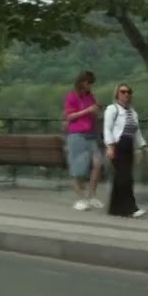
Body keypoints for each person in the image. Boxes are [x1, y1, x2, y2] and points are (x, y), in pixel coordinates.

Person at [104, 83, 147, 218]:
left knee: (121, 177)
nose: (126, 95)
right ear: (117, 94)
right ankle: (130, 208)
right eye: (123, 92)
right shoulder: (112, 109)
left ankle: (115, 208)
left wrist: (143, 146)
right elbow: (107, 128)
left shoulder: (133, 112)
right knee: (125, 177)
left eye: (129, 92)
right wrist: (110, 146)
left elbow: (137, 131)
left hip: (129, 145)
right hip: (118, 145)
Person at [63, 70, 103, 211]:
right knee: (78, 168)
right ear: (82, 82)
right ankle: (80, 198)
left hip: (91, 134)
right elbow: (70, 116)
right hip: (77, 135)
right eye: (88, 83)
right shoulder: (72, 97)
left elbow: (94, 113)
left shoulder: (91, 96)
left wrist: (97, 111)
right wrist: (87, 111)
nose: (90, 86)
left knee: (97, 163)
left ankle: (92, 196)